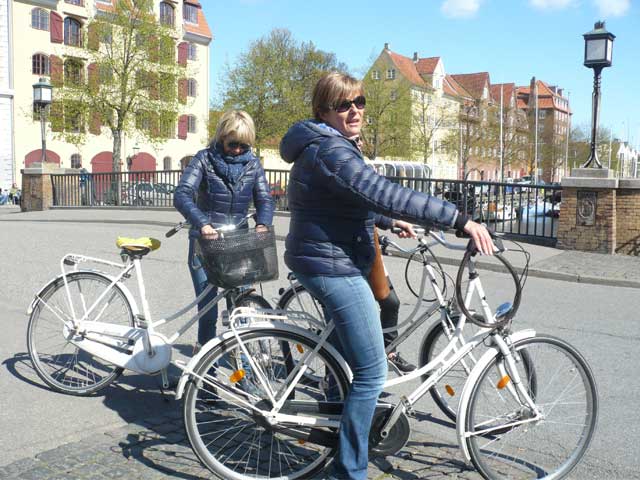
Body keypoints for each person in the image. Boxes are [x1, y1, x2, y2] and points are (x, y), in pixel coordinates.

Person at [279, 71, 494, 480]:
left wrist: (386, 220)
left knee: (343, 359)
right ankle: (350, 471)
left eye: (359, 101)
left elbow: (354, 198)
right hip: (332, 266)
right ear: (323, 111)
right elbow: (381, 190)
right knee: (372, 372)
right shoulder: (331, 150)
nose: (355, 110)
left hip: (328, 258)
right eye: (344, 105)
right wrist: (458, 218)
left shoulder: (329, 144)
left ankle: (332, 427)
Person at [174, 110, 274, 351]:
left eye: (244, 144)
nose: (238, 150)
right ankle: (205, 371)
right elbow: (182, 194)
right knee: (208, 308)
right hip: (206, 243)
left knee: (242, 309)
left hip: (239, 242)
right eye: (233, 144)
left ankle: (247, 371)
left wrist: (262, 223)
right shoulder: (204, 159)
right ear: (221, 137)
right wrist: (202, 223)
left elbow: (264, 199)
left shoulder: (253, 164)